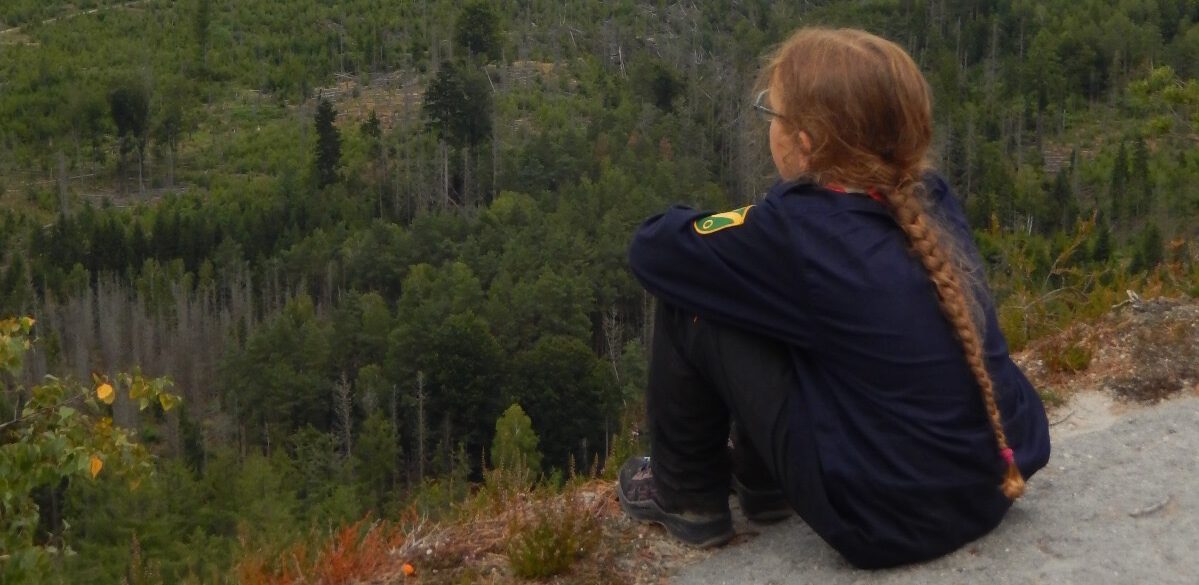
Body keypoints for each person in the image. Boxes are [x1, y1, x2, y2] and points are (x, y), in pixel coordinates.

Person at [617, 27, 1051, 569]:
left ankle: (686, 493)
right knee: (771, 298)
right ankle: (763, 484)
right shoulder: (930, 198)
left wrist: (733, 223)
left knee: (695, 292)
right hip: (992, 477)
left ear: (805, 142)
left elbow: (653, 250)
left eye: (772, 113)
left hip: (886, 521)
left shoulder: (800, 234)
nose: (768, 124)